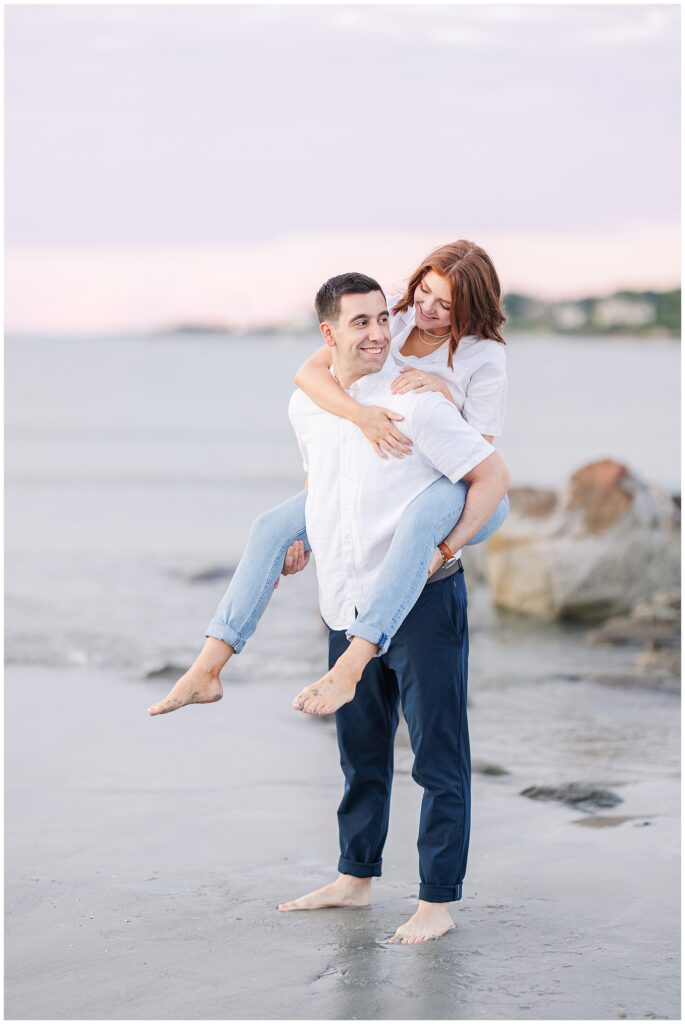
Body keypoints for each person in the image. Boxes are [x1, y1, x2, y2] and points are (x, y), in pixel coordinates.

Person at [147, 240, 508, 718]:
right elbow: (310, 374)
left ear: (470, 307)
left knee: (419, 524)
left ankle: (355, 661)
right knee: (270, 529)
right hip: (394, 474)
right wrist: (359, 418)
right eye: (424, 292)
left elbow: (477, 455)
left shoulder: (485, 356)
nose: (427, 309)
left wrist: (442, 390)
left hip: (460, 489)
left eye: (445, 305)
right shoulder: (393, 322)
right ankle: (209, 666)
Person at [275, 272, 510, 944]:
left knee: (437, 756)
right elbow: (323, 485)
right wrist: (305, 539)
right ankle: (355, 877)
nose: (379, 333)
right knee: (361, 752)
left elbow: (492, 477)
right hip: (346, 598)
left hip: (423, 604)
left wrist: (443, 548)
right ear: (330, 335)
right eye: (361, 322)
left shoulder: (421, 403)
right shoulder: (311, 406)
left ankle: (436, 900)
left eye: (383, 319)